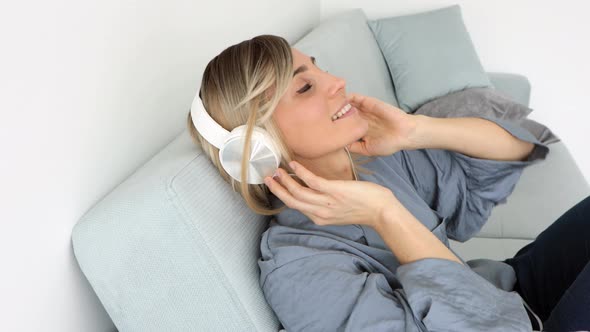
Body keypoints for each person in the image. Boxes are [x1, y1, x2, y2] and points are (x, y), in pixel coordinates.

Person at [187, 35, 590, 331]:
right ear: (256, 145)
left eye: (319, 67)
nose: (337, 82)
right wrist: (386, 213)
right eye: (306, 86)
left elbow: (519, 148)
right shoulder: (301, 271)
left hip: (510, 293)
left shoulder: (375, 165)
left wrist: (417, 130)